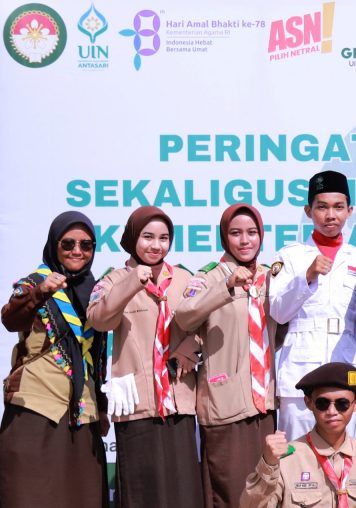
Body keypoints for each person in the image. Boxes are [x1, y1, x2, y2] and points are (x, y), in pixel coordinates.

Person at [87, 205, 203, 507]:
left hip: (179, 399)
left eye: (164, 238)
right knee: (141, 489)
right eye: (147, 237)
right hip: (138, 402)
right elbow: (100, 320)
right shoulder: (113, 279)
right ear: (131, 238)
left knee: (183, 489)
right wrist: (131, 282)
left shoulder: (184, 278)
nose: (156, 245)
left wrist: (190, 348)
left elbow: (208, 323)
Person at [175, 204, 280, 508]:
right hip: (226, 406)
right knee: (232, 496)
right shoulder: (210, 276)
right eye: (235, 233)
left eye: (252, 233)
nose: (245, 240)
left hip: (265, 405)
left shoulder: (269, 277)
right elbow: (184, 316)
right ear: (224, 237)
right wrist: (226, 287)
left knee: (267, 494)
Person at [0, 211, 109, 507]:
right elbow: (11, 320)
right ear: (54, 245)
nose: (77, 251)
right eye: (68, 243)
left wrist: (101, 407)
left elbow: (97, 355)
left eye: (86, 245)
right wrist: (39, 294)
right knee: (30, 494)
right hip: (36, 408)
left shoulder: (96, 291)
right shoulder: (35, 282)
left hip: (82, 412)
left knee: (82, 496)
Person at [270, 170, 356, 441]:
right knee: (295, 456)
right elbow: (278, 311)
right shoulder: (290, 256)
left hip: (344, 367)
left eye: (338, 207)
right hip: (299, 372)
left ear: (350, 210)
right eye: (322, 207)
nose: (331, 215)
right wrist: (306, 276)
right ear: (308, 211)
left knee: (341, 455)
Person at [240, 362, 356, 507]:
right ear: (309, 403)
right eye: (323, 403)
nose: (332, 412)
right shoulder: (286, 460)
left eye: (342, 404)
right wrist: (268, 464)